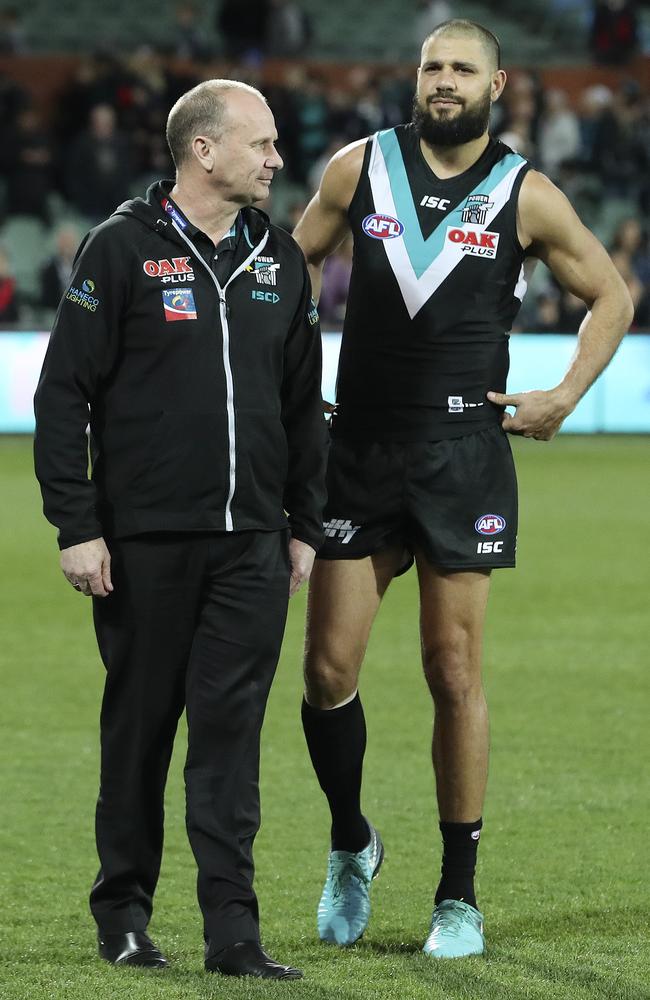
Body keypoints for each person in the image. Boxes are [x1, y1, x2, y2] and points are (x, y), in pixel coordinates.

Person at [293, 19, 633, 959]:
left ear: (499, 82)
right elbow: (286, 275)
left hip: (461, 455)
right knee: (326, 674)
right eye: (432, 67)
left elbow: (613, 294)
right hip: (356, 451)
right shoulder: (359, 168)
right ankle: (353, 843)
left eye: (462, 69)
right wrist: (289, 385)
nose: (444, 81)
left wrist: (563, 395)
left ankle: (458, 896)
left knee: (454, 673)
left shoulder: (527, 193)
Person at [34, 79, 327, 980]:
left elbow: (302, 405)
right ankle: (122, 913)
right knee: (140, 730)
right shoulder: (119, 249)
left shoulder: (280, 257)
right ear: (205, 149)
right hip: (143, 544)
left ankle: (233, 933)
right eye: (263, 144)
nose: (278, 160)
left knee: (231, 741)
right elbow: (62, 395)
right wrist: (76, 526)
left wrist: (306, 522)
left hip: (251, 546)